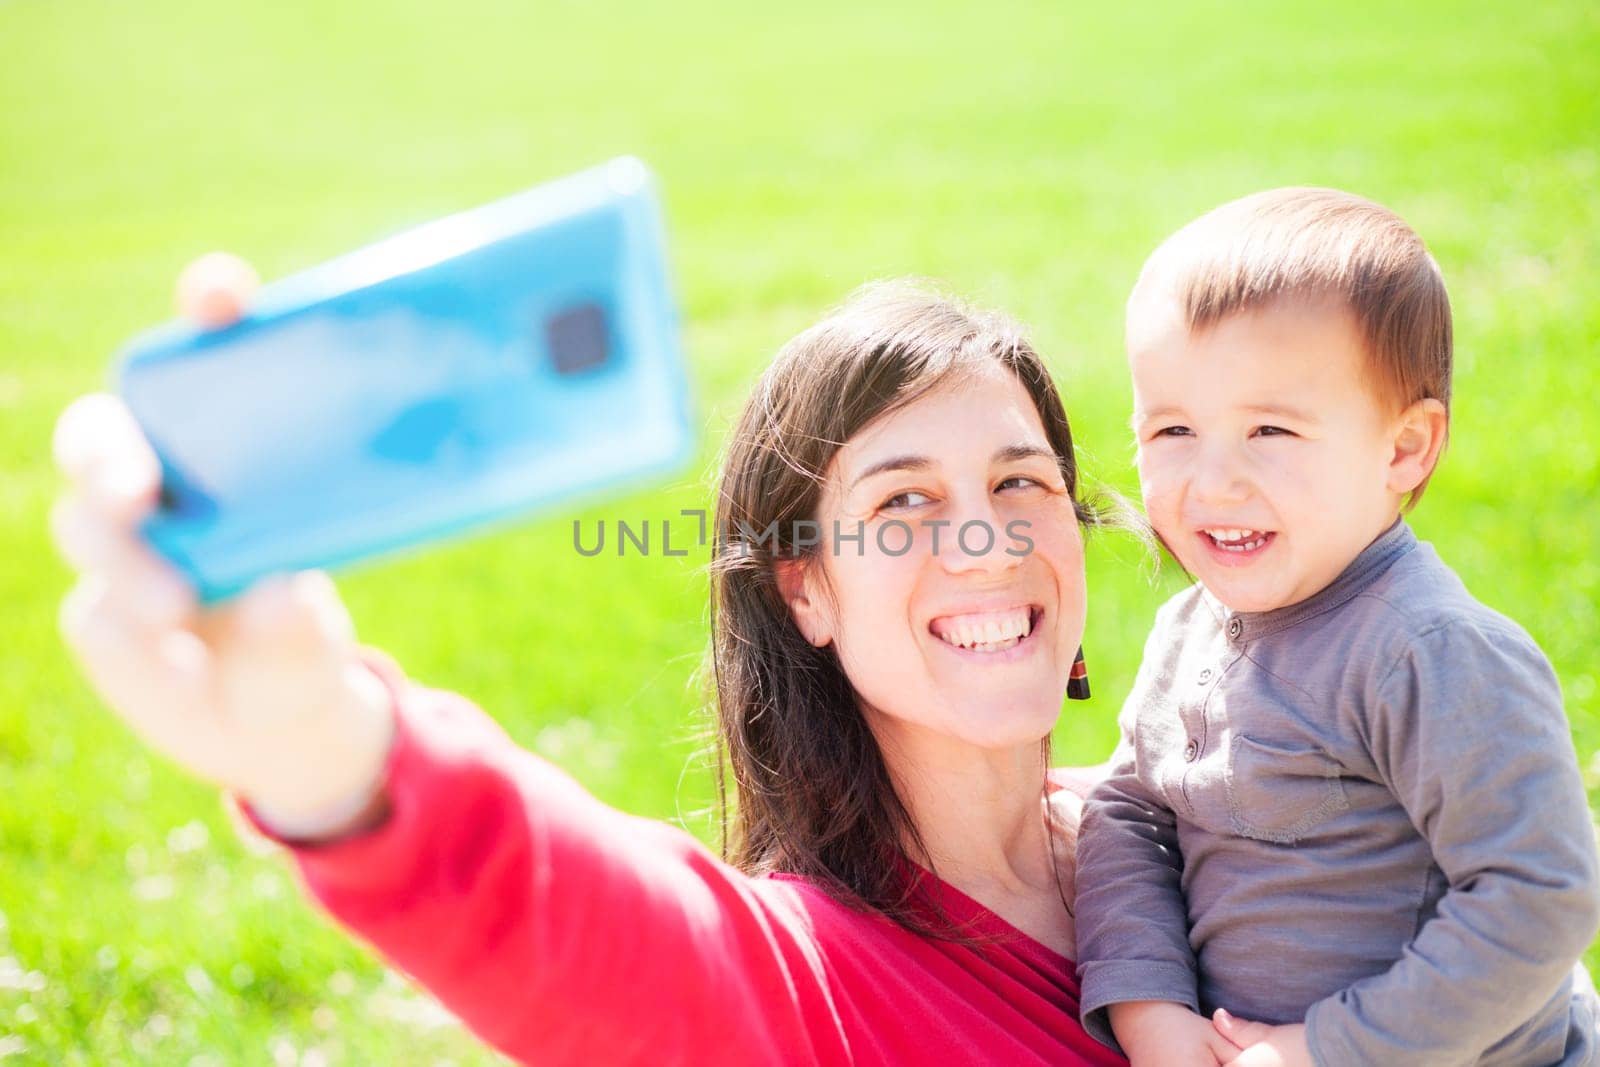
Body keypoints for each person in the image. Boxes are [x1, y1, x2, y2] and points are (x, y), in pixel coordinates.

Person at [52, 262, 1152, 1064]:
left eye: (1020, 482)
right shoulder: (801, 987)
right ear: (805, 588)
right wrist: (315, 740)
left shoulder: (1212, 813)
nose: (988, 540)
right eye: (902, 500)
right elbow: (564, 918)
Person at [1074, 187, 1600, 1067]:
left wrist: (1331, 1047)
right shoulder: (1189, 628)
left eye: (1269, 429)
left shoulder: (1425, 653)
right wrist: (1149, 1005)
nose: (1212, 482)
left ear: (1403, 448)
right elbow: (1131, 816)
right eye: (1172, 429)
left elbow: (1535, 894)